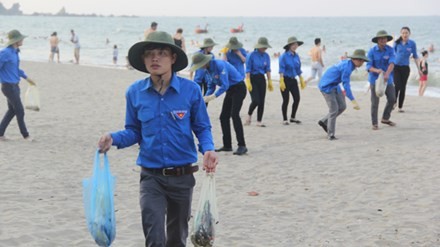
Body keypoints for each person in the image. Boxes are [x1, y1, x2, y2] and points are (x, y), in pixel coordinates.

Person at [97, 31, 218, 246]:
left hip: (183, 177)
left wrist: (208, 148)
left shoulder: (190, 91)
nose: (155, 58)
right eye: (150, 54)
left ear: (173, 58)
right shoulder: (134, 92)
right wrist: (112, 138)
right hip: (151, 178)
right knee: (154, 236)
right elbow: (133, 131)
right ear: (143, 60)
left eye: (162, 53)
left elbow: (202, 127)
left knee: (176, 238)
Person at [190, 49, 248, 155]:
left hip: (239, 88)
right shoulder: (207, 71)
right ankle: (227, 145)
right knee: (223, 117)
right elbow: (210, 86)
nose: (199, 67)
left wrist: (213, 97)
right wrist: (205, 97)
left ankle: (242, 145)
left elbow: (225, 85)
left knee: (234, 115)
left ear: (205, 62)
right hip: (230, 90)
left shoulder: (220, 65)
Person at [318, 49, 368, 140]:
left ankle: (324, 121)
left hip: (335, 85)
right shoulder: (347, 67)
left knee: (342, 106)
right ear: (353, 59)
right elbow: (346, 85)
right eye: (359, 60)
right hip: (326, 86)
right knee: (334, 110)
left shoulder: (350, 64)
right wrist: (353, 100)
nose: (361, 62)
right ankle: (331, 134)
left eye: (363, 60)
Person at [0, 30, 36, 141]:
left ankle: (0, 134)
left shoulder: (15, 52)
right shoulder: (5, 52)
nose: (22, 40)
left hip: (15, 85)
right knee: (20, 110)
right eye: (21, 38)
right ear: (15, 40)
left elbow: (15, 69)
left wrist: (26, 77)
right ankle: (26, 135)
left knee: (12, 110)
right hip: (8, 86)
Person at [367, 30, 396, 130]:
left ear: (387, 39)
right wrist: (378, 71)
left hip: (388, 78)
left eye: (385, 38)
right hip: (374, 79)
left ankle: (385, 118)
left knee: (392, 98)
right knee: (375, 102)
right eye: (381, 38)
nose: (383, 40)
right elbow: (369, 67)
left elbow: (392, 63)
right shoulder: (371, 51)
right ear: (377, 40)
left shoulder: (390, 50)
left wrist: (387, 73)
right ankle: (374, 123)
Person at [244, 37, 273, 127]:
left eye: (266, 47)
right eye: (263, 47)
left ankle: (259, 121)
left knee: (262, 101)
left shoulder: (266, 56)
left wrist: (269, 80)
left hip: (261, 78)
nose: (265, 48)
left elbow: (267, 69)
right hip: (252, 78)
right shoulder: (251, 55)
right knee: (256, 100)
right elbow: (248, 69)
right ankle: (249, 115)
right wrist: (248, 81)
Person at [393, 26, 422, 112]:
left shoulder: (412, 44)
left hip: (405, 68)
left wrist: (419, 69)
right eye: (403, 33)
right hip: (396, 67)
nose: (405, 34)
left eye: (406, 33)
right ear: (401, 34)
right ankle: (394, 102)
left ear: (409, 34)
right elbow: (392, 55)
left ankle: (400, 107)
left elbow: (415, 57)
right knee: (397, 85)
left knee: (403, 87)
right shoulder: (396, 43)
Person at [278, 36, 305, 125]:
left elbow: (298, 68)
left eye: (296, 44)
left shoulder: (296, 56)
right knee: (286, 100)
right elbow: (281, 69)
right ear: (289, 45)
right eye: (293, 44)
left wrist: (301, 78)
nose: (295, 46)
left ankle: (293, 117)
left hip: (293, 80)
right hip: (285, 80)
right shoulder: (284, 56)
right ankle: (285, 119)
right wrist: (281, 80)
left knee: (297, 98)